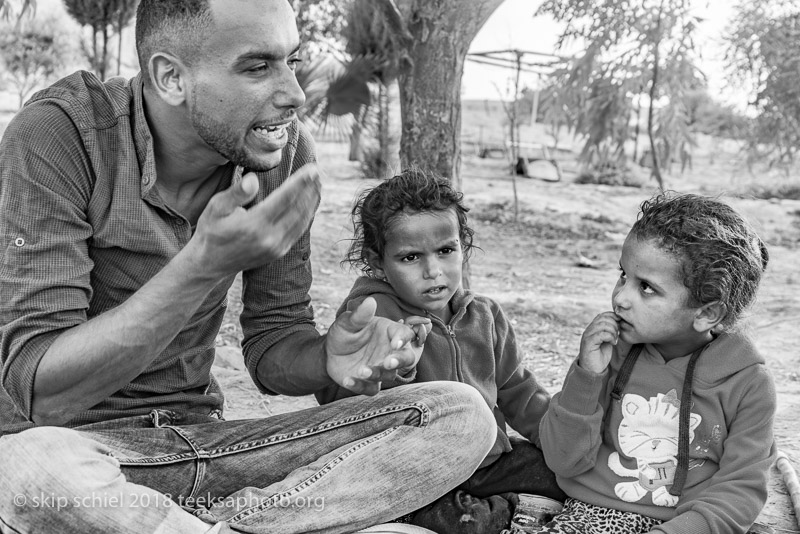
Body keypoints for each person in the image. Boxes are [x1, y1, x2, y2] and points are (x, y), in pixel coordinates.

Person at [0, 1, 498, 532]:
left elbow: (273, 345)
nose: (295, 93)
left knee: (459, 415)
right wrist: (203, 266)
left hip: (208, 448)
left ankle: (216, 524)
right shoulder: (61, 135)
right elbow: (40, 392)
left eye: (291, 60)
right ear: (170, 77)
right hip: (78, 448)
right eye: (258, 67)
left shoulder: (280, 153)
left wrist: (327, 357)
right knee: (28, 468)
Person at [315, 168, 564, 533]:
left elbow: (520, 393)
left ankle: (509, 507)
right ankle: (506, 513)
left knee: (563, 477)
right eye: (411, 257)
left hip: (489, 460)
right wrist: (393, 370)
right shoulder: (373, 316)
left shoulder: (485, 316)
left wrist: (557, 443)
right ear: (376, 259)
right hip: (417, 471)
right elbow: (337, 400)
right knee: (467, 522)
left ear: (463, 245)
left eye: (446, 250)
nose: (434, 271)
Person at [537, 193, 776, 534]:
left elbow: (740, 490)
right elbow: (563, 459)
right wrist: (587, 376)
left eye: (646, 288)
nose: (620, 297)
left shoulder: (748, 384)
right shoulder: (612, 349)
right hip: (591, 515)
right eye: (623, 275)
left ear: (708, 313)